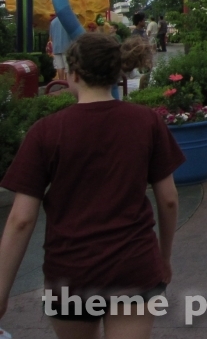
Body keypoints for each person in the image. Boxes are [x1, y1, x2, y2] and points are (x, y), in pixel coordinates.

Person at [0, 33, 183, 338]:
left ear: (73, 73)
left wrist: (2, 290)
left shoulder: (45, 132)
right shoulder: (146, 122)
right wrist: (163, 259)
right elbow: (169, 200)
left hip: (71, 272)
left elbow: (21, 220)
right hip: (134, 267)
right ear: (116, 72)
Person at [49, 13, 70, 81]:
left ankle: (61, 82)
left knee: (59, 66)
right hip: (67, 47)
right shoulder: (67, 21)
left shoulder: (53, 22)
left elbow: (51, 37)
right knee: (67, 67)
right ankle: (67, 83)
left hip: (56, 47)